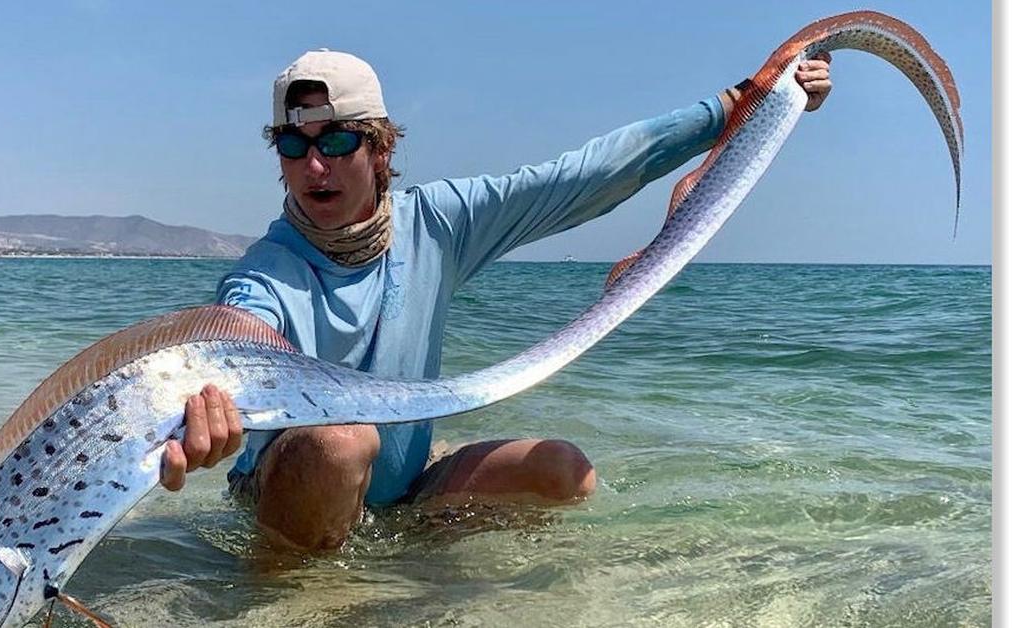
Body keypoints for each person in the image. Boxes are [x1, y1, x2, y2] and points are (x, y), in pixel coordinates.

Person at [158, 49, 832, 551]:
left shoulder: (439, 224)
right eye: (293, 144)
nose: (315, 166)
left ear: (381, 147)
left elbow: (584, 175)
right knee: (341, 442)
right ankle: (291, 596)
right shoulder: (266, 273)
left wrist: (744, 103)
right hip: (291, 486)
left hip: (404, 485)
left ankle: (406, 568)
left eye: (337, 141)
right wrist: (209, 410)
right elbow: (238, 335)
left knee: (562, 474)